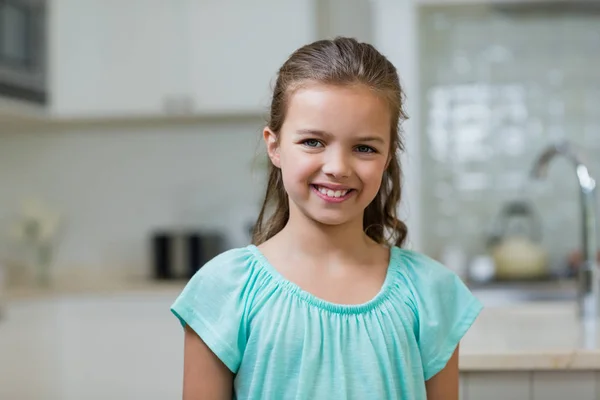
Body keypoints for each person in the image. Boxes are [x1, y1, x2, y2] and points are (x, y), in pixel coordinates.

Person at [170, 36, 483, 400]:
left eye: (364, 148)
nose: (337, 167)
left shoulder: (431, 292)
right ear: (274, 146)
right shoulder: (223, 291)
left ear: (387, 158)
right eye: (313, 142)